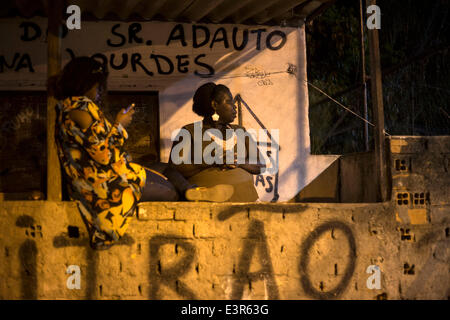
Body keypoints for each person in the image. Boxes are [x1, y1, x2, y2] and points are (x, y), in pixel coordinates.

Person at [54, 57, 232, 249]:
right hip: (106, 185)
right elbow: (103, 156)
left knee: (166, 168)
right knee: (172, 193)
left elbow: (97, 146)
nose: (99, 93)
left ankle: (191, 190)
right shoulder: (80, 109)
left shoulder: (71, 108)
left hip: (114, 173)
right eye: (97, 87)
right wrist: (119, 125)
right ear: (87, 84)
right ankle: (188, 192)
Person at [169, 82, 265, 202]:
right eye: (229, 102)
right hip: (204, 206)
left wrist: (238, 162)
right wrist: (211, 159)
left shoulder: (240, 131)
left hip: (244, 202)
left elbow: (261, 165)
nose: (234, 106)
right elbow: (174, 170)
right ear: (215, 105)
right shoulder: (189, 132)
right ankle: (202, 194)